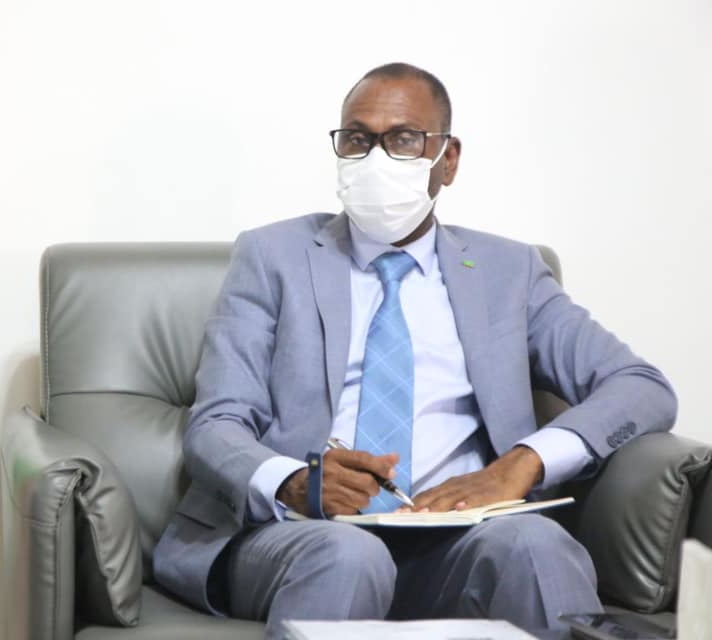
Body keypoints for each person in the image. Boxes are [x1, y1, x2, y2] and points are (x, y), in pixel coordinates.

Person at [152, 62, 677, 638]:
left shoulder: (509, 272)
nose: (375, 159)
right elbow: (216, 424)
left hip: (458, 541)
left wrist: (521, 463)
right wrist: (293, 481)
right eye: (358, 139)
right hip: (303, 536)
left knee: (536, 544)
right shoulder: (271, 256)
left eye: (403, 139)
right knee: (350, 557)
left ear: (447, 160)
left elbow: (640, 386)